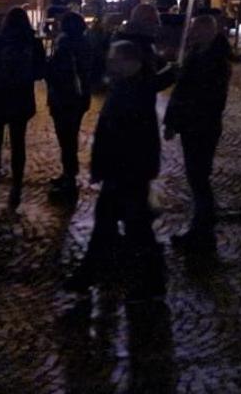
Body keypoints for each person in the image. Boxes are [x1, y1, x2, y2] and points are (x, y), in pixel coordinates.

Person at [71, 39, 172, 299]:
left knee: (131, 227)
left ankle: (147, 279)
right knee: (114, 225)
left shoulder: (134, 90)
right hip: (123, 169)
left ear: (132, 63)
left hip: (127, 170)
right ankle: (90, 274)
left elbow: (122, 134)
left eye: (116, 59)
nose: (110, 63)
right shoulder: (128, 86)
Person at [163, 12, 231, 244]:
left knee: (199, 176)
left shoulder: (213, 61)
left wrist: (180, 118)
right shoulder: (199, 54)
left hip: (202, 125)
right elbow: (181, 89)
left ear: (206, 32)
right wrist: (173, 121)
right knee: (197, 176)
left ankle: (202, 228)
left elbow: (202, 94)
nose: (191, 33)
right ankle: (202, 225)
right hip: (193, 123)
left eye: (195, 29)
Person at [0, 7, 46, 215]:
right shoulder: (33, 42)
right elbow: (40, 71)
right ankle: (16, 190)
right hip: (21, 98)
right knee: (18, 145)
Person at [45, 11, 92, 203]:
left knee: (66, 139)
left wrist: (47, 66)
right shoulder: (84, 43)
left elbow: (57, 73)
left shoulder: (65, 45)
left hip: (65, 98)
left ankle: (69, 181)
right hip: (79, 98)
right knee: (69, 139)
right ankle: (67, 175)